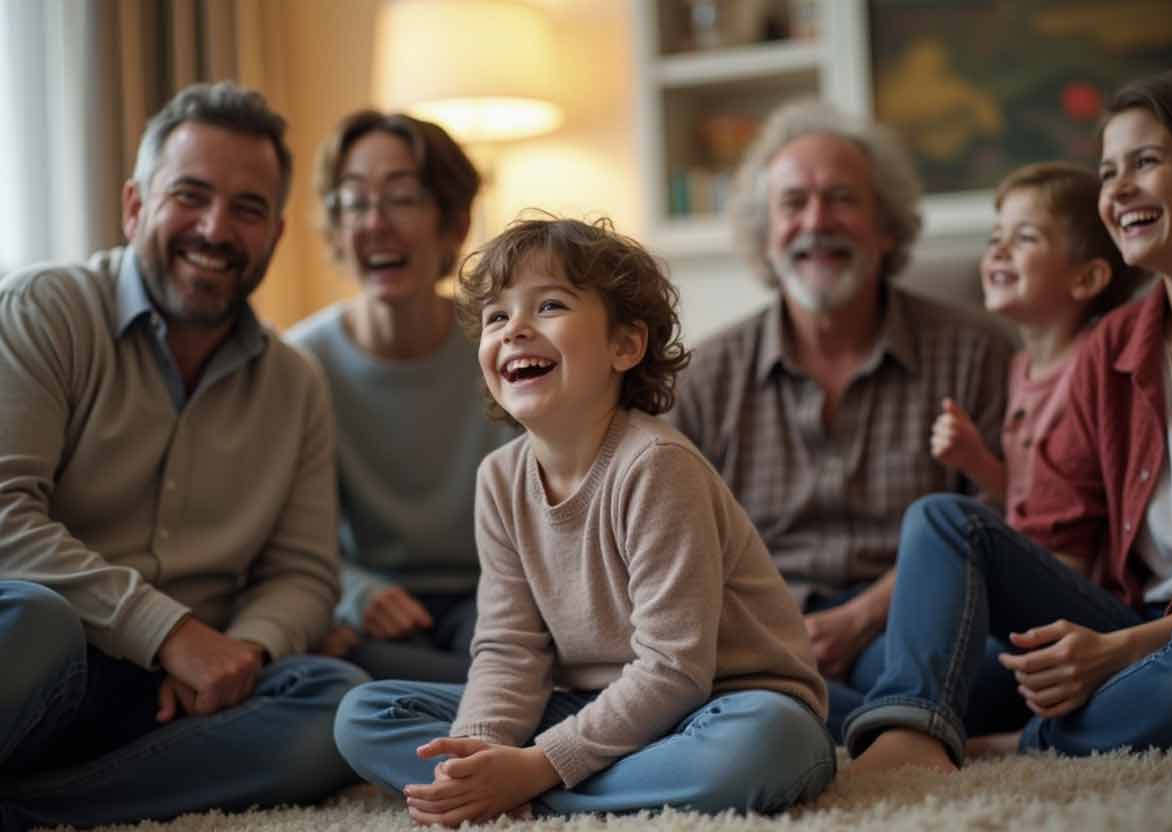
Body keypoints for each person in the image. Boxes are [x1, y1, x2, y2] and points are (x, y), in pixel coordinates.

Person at [334, 217, 835, 825]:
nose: (515, 328)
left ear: (625, 346)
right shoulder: (498, 478)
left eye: (548, 306)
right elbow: (507, 648)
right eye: (497, 317)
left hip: (719, 704)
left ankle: (540, 793)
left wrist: (538, 765)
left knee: (768, 745)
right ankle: (542, 784)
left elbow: (674, 670)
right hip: (582, 706)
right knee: (363, 715)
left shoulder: (656, 466)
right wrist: (480, 750)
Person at [0, 82, 369, 831]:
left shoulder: (295, 382)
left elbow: (303, 572)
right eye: (190, 196)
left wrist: (239, 655)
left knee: (337, 701)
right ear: (135, 206)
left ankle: (38, 811)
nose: (215, 228)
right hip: (48, 656)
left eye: (247, 209)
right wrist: (167, 632)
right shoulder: (47, 310)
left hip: (174, 700)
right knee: (34, 620)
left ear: (275, 232)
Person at [844, 68, 1172, 774]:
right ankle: (912, 728)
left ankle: (1029, 744)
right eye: (1109, 171)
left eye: (1147, 162)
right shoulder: (1111, 346)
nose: (1119, 190)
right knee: (942, 520)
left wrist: (1121, 653)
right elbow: (1054, 532)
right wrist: (1068, 641)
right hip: (1124, 620)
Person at [668, 98, 1016, 740]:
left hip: (914, 625)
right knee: (700, 687)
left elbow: (996, 517)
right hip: (759, 635)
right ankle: (881, 719)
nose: (816, 222)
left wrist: (860, 616)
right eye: (793, 203)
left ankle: (843, 716)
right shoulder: (703, 376)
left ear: (886, 226)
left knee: (1000, 672)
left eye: (843, 200)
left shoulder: (978, 352)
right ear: (765, 235)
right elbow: (673, 546)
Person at [287, 110, 514, 681]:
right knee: (330, 674)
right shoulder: (296, 365)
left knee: (516, 659)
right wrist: (354, 591)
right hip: (369, 619)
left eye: (403, 198)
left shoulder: (507, 348)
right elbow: (277, 538)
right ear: (336, 229)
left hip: (496, 603)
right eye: (353, 202)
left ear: (454, 224)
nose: (375, 222)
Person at [931, 162, 1147, 524]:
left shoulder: (1096, 366)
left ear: (1087, 278)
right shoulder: (1019, 367)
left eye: (1026, 238)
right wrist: (976, 462)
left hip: (1078, 570)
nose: (999, 250)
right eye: (995, 237)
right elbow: (1031, 503)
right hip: (1037, 554)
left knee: (937, 515)